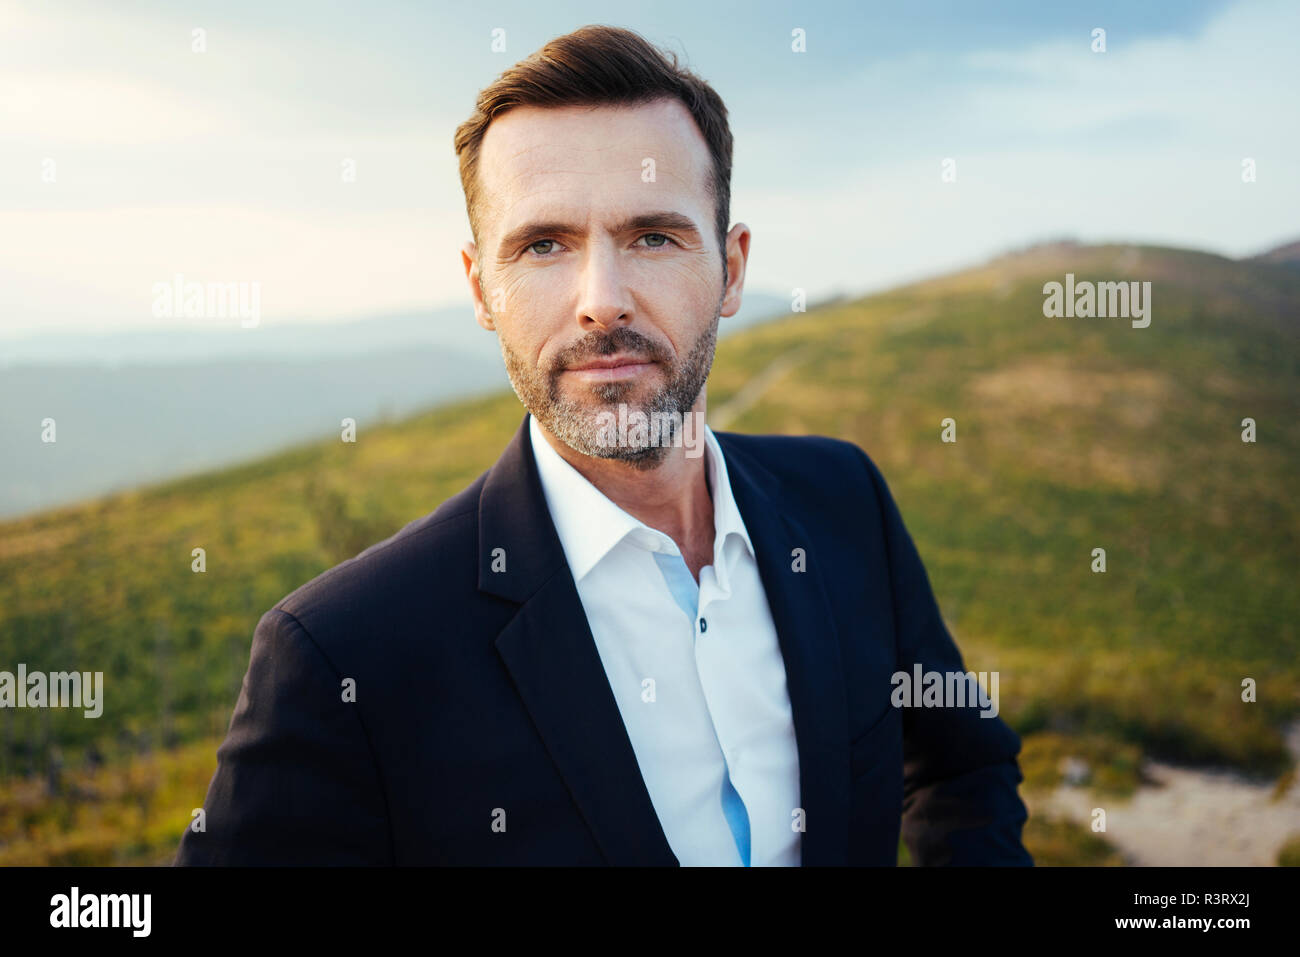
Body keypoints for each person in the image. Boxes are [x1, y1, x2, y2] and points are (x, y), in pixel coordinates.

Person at [175, 24, 1031, 867]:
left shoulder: (845, 503)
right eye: (544, 245)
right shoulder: (341, 655)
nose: (602, 300)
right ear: (483, 288)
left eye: (653, 236)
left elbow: (963, 766)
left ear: (731, 269)